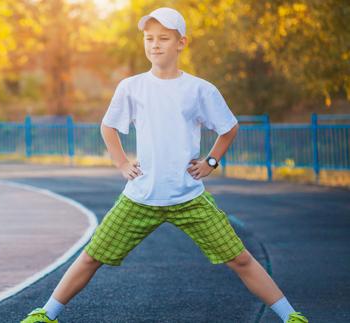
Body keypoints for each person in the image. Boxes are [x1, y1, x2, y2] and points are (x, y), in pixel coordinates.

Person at [20, 7, 309, 323]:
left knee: (240, 259)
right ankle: (46, 315)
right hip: (139, 199)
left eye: (163, 38)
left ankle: (290, 316)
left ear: (181, 43)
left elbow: (229, 127)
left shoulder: (199, 89)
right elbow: (108, 126)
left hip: (189, 198)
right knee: (91, 257)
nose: (155, 44)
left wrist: (211, 161)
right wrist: (121, 163)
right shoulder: (132, 86)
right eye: (149, 38)